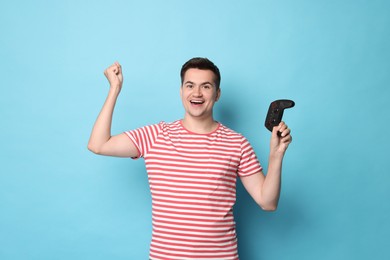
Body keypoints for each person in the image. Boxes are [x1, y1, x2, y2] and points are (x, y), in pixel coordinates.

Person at [88, 57, 292, 260]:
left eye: (206, 86)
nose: (196, 93)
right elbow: (98, 144)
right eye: (190, 85)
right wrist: (114, 89)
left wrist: (276, 155)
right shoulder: (155, 135)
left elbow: (268, 202)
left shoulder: (237, 143)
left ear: (217, 94)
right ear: (181, 91)